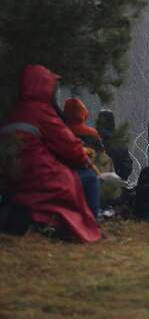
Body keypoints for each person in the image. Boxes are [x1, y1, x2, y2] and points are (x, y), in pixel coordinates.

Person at [0, 65, 101, 242]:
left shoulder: (13, 113)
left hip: (15, 179)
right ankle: (90, 228)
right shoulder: (42, 113)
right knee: (89, 179)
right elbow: (70, 147)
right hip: (41, 176)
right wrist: (84, 156)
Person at [95, 109, 133, 181]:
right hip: (115, 183)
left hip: (94, 182)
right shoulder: (119, 142)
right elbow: (126, 166)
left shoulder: (91, 138)